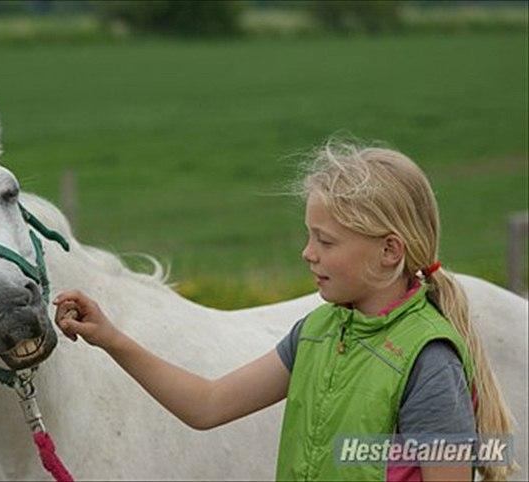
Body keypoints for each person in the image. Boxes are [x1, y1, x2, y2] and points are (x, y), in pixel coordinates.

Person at [53, 141, 514, 481]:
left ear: (389, 251)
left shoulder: (429, 363)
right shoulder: (315, 332)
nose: (307, 253)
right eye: (309, 236)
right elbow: (207, 405)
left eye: (326, 241)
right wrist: (110, 337)